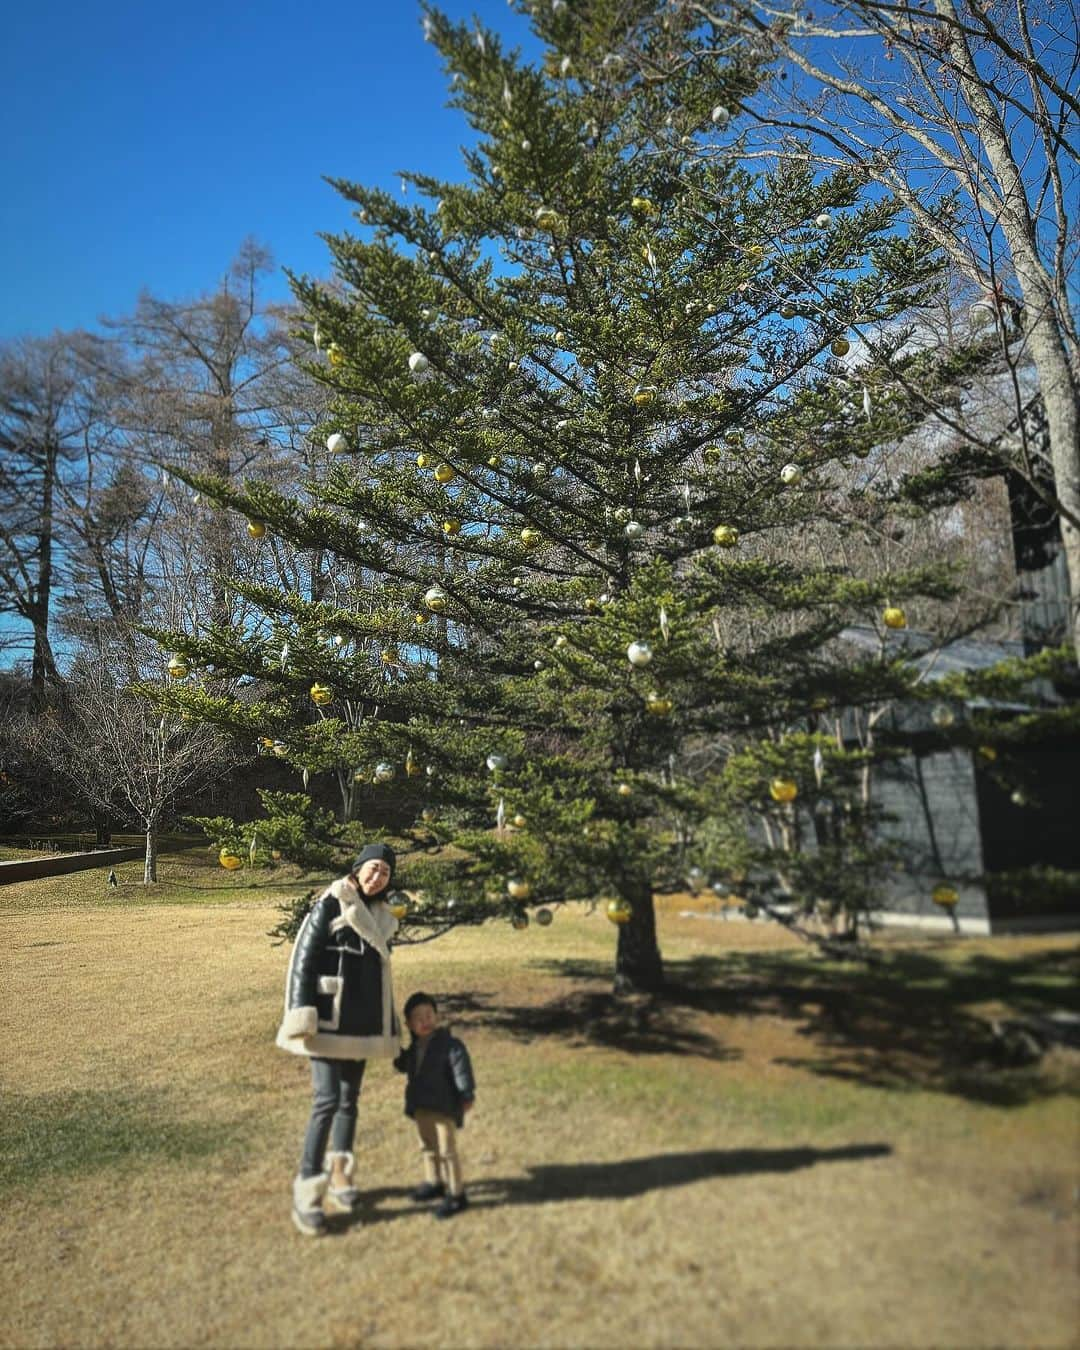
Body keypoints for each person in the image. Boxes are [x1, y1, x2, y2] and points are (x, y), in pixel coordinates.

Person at [276, 843, 401, 1236]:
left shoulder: (382, 917)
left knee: (349, 1101)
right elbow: (303, 958)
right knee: (327, 1100)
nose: (377, 877)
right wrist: (302, 1013)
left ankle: (341, 1177)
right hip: (327, 1021)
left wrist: (388, 1025)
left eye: (385, 873)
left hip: (361, 1025)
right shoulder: (332, 902)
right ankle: (307, 1192)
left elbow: (378, 981)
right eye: (373, 868)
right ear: (359, 868)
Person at [394, 991, 476, 1220]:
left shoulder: (450, 1046)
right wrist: (393, 1046)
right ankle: (434, 1181)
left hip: (443, 1106)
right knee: (427, 1146)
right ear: (410, 1024)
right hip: (421, 1106)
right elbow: (401, 1065)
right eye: (418, 1018)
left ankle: (456, 1193)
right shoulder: (414, 1049)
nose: (425, 1021)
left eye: (429, 1015)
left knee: (447, 1150)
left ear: (437, 1017)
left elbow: (461, 1070)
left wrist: (467, 1094)